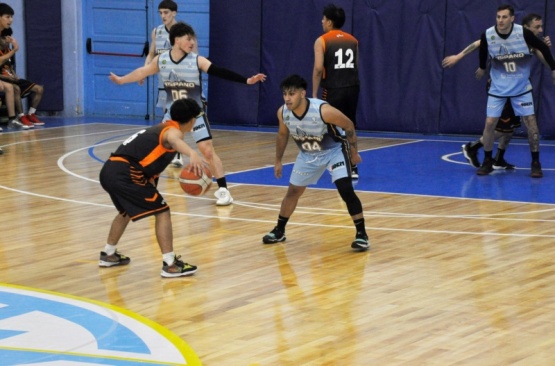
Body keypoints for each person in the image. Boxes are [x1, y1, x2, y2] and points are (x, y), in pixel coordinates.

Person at [109, 22, 266, 206]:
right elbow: (142, 71)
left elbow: (219, 71)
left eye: (193, 39)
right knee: (159, 153)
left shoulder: (196, 60)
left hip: (194, 113)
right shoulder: (162, 60)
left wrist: (246, 80)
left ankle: (223, 190)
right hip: (172, 115)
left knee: (207, 150)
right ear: (177, 40)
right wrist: (121, 80)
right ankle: (151, 189)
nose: (192, 42)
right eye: (188, 38)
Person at [99, 98, 204, 278]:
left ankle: (109, 254)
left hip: (110, 169)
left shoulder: (161, 127)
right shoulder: (172, 131)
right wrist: (192, 152)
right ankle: (170, 265)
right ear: (192, 120)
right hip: (125, 172)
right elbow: (173, 139)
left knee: (125, 211)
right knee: (162, 211)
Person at [262, 74, 369, 251]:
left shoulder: (322, 110)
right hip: (307, 154)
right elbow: (282, 134)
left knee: (345, 189)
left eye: (292, 94)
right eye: (285, 94)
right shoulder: (283, 113)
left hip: (333, 151)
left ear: (303, 94)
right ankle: (279, 230)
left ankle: (362, 234)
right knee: (293, 192)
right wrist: (278, 160)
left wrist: (354, 154)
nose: (287, 98)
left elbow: (349, 125)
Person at [442, 13, 552, 172]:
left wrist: (546, 49)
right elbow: (479, 43)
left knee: (511, 127)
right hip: (500, 87)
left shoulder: (532, 42)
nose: (541, 30)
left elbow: (546, 62)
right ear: (526, 27)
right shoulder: (509, 35)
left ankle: (498, 158)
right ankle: (473, 147)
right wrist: (458, 56)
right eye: (537, 27)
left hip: (517, 88)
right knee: (502, 129)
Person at [476, 5, 555, 178]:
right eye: (498, 17)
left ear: (512, 18)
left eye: (504, 17)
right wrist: (482, 68)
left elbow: (542, 47)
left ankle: (535, 162)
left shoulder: (523, 34)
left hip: (520, 89)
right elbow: (482, 49)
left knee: (531, 126)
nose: (500, 20)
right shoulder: (488, 34)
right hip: (498, 88)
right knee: (490, 124)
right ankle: (488, 160)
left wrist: (553, 68)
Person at [312, 3, 360, 179]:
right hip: (352, 87)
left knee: (328, 126)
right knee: (349, 126)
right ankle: (353, 166)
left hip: (333, 89)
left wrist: (315, 94)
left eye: (324, 19)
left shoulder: (322, 40)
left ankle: (337, 165)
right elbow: (356, 66)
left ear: (330, 22)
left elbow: (318, 69)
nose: (322, 21)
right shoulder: (353, 40)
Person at [0, 4, 45, 128]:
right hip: (3, 78)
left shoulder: (6, 44)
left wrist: (13, 75)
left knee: (38, 89)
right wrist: (14, 49)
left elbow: (8, 65)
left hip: (7, 77)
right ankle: (19, 116)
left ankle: (20, 117)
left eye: (12, 17)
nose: (11, 20)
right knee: (11, 87)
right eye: (7, 17)